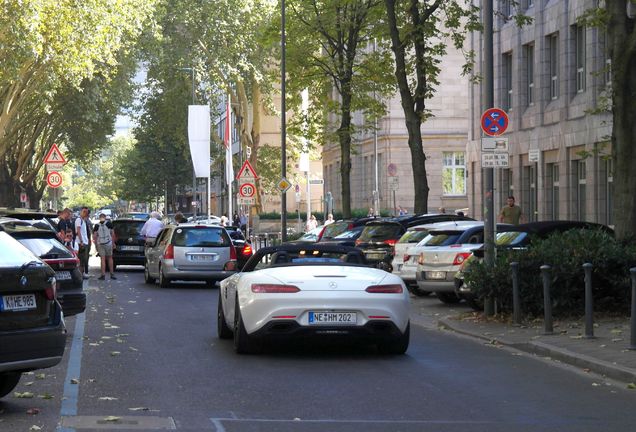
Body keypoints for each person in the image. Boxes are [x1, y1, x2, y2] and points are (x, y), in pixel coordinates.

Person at [93, 213, 117, 280]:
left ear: (99, 218)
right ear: (105, 217)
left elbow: (95, 236)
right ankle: (112, 274)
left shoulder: (96, 225)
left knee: (102, 259)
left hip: (100, 244)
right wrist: (113, 243)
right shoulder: (109, 224)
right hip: (108, 243)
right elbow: (113, 234)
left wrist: (96, 245)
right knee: (110, 258)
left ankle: (103, 275)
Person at [75, 207, 92, 278]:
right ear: (81, 212)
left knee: (83, 260)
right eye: (84, 211)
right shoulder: (79, 220)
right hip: (81, 242)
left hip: (85, 242)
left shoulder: (83, 220)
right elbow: (78, 231)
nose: (85, 213)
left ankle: (82, 273)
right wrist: (81, 241)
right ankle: (80, 275)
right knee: (81, 260)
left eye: (86, 212)